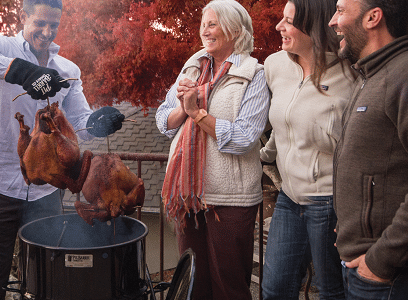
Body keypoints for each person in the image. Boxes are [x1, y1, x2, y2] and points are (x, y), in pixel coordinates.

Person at [0, 0, 125, 298]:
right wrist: (20, 71)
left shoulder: (67, 69)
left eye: (54, 25)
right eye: (40, 23)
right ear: (24, 17)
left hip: (46, 190)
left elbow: (81, 124)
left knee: (46, 278)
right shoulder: (2, 47)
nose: (47, 32)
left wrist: (99, 122)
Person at [156, 0, 270, 298]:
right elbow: (163, 121)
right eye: (202, 24)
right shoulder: (193, 67)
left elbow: (244, 138)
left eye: (212, 24)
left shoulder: (254, 74)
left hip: (230, 197)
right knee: (191, 282)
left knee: (228, 284)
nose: (204, 30)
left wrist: (198, 113)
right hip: (188, 196)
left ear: (234, 29)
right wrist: (183, 109)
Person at [258, 0, 355, 299]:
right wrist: (265, 155)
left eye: (289, 21)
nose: (278, 26)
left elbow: (355, 146)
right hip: (289, 197)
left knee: (330, 291)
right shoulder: (275, 66)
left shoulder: (350, 74)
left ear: (313, 28)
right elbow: (281, 120)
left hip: (329, 202)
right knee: (274, 290)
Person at [328, 0, 408, 298]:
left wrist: (380, 261)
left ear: (372, 17)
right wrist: (351, 222)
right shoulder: (371, 75)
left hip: (384, 275)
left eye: (340, 10)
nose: (333, 21)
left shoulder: (402, 74)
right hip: (362, 264)